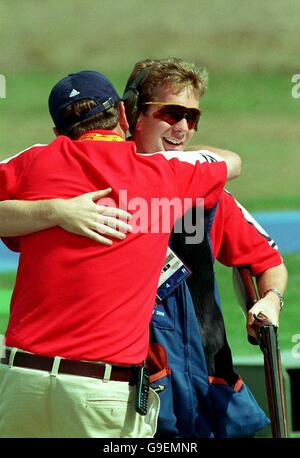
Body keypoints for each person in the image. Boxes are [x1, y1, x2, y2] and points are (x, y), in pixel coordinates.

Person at [0, 58, 287, 438]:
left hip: (200, 392)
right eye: (170, 113)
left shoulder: (208, 196)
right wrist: (55, 210)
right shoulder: (142, 174)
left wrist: (271, 300)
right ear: (129, 113)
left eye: (192, 117)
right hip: (123, 392)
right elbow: (230, 161)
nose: (182, 127)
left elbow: (268, 263)